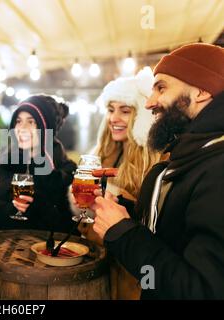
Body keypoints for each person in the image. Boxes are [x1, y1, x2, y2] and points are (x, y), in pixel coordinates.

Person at [90, 43, 224, 299]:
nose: (150, 103)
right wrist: (122, 212)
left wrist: (123, 232)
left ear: (201, 91)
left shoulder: (218, 166)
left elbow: (202, 290)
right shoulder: (192, 153)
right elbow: (173, 235)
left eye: (161, 88)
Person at [74, 67, 161, 299]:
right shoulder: (103, 153)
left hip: (131, 275)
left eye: (125, 111)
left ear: (142, 117)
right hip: (99, 265)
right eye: (111, 110)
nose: (114, 118)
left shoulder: (153, 163)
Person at [0, 95, 77, 236]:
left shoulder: (65, 172)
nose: (22, 128)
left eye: (31, 122)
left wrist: (38, 206)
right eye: (18, 121)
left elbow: (70, 231)